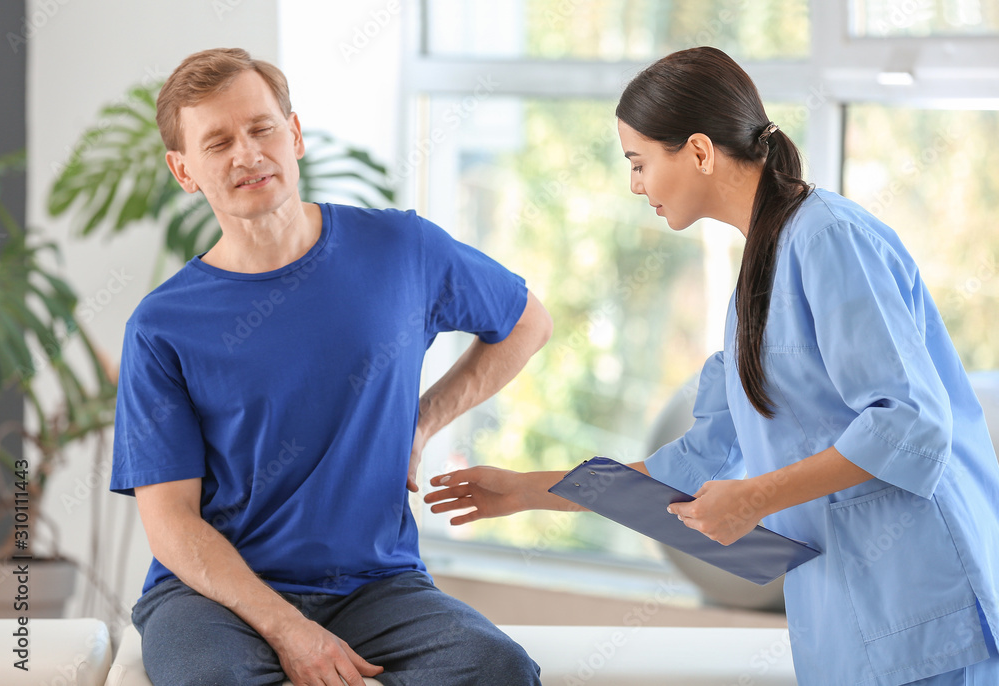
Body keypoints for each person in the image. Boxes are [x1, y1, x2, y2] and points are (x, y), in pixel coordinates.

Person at [425, 46, 999, 686]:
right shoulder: (756, 279)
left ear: (699, 151)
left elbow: (912, 424)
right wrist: (528, 490)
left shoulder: (828, 236)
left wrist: (755, 497)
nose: (636, 185)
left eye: (639, 162)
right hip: (847, 617)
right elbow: (694, 464)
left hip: (923, 603)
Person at [109, 48, 550, 686]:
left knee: (498, 670)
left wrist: (420, 425)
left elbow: (526, 323)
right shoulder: (161, 326)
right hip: (214, 599)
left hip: (378, 586)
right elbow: (171, 524)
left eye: (262, 128)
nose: (247, 153)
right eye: (218, 142)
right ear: (184, 170)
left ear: (293, 134)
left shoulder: (402, 248)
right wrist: (291, 630)